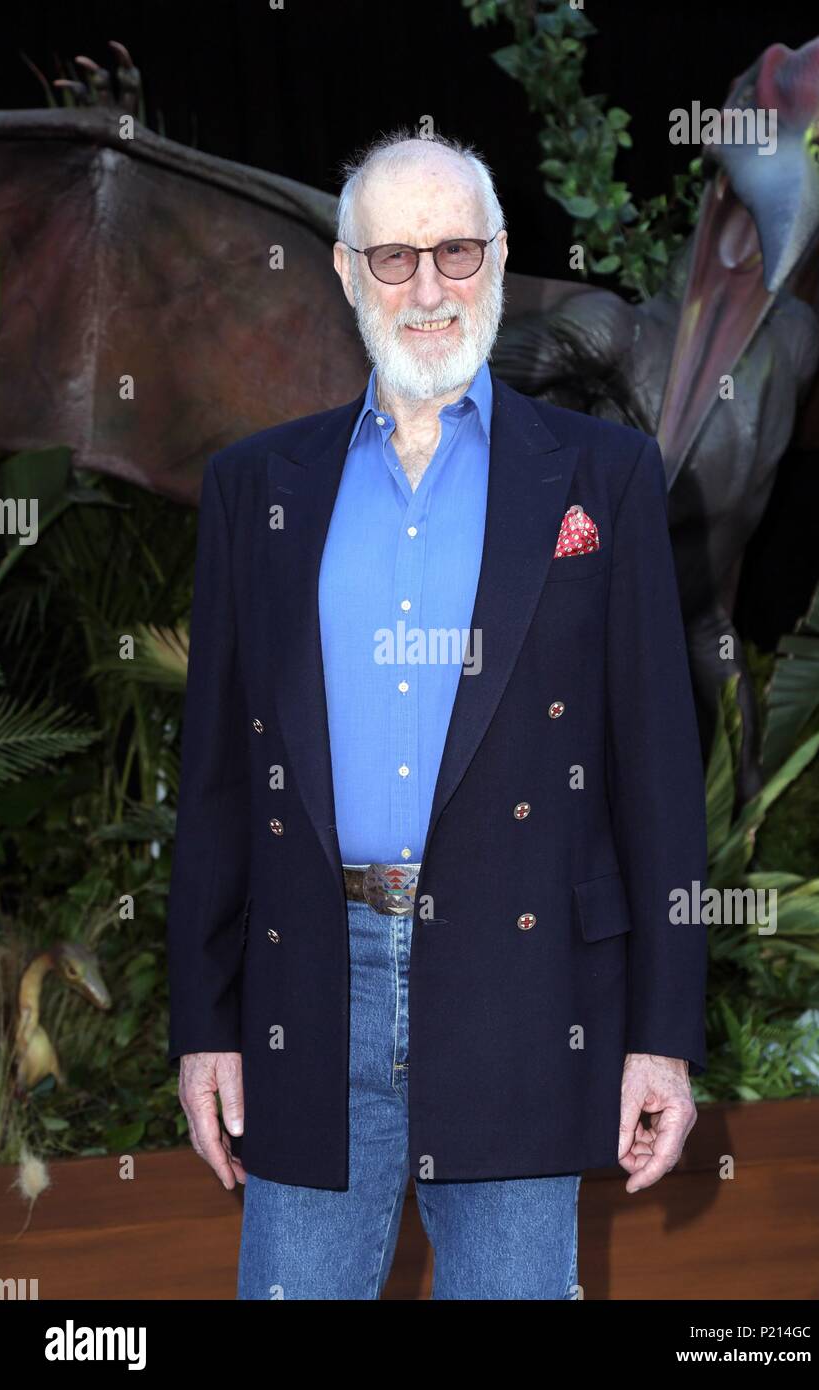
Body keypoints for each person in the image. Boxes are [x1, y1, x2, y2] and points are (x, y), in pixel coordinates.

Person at [166, 129, 709, 1300]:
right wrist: (203, 1025)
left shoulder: (601, 477)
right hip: (309, 988)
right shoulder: (255, 489)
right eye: (395, 256)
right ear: (346, 271)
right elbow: (213, 780)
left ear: (500, 260)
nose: (427, 289)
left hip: (526, 991)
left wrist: (660, 1034)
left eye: (455, 253)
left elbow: (657, 772)